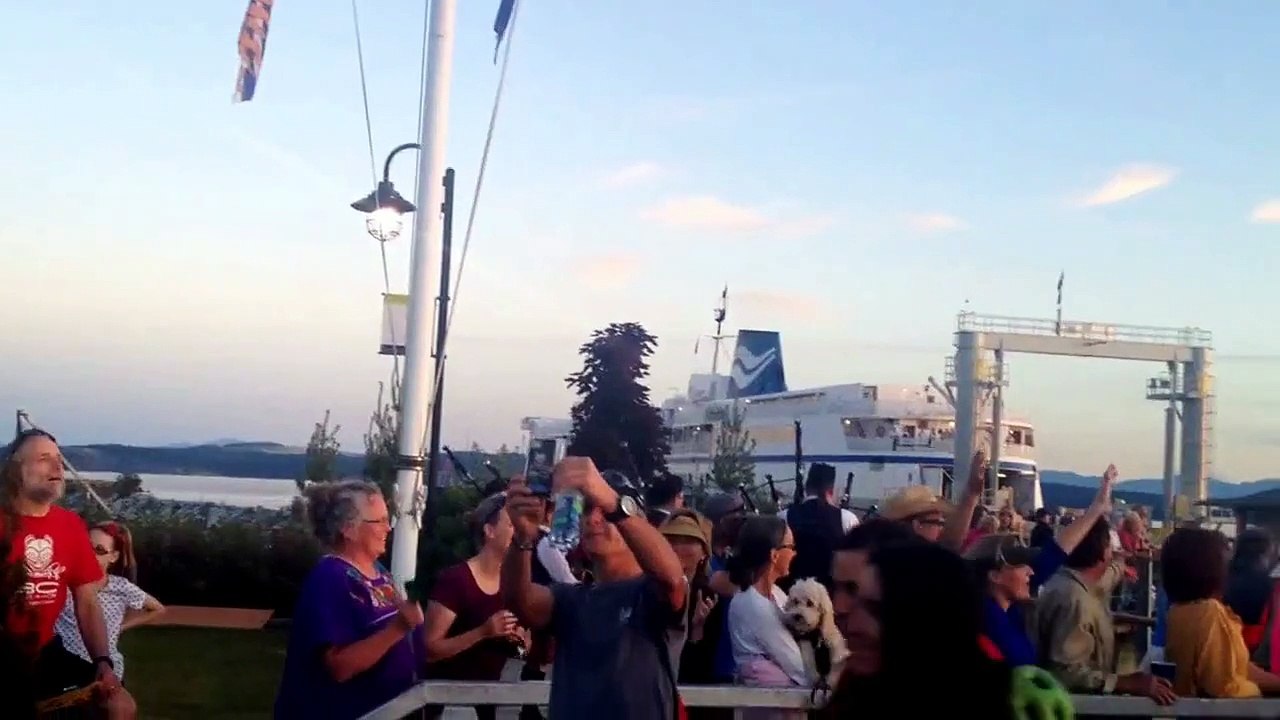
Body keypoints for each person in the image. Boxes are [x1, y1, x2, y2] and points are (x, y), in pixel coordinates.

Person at [501, 457, 688, 719]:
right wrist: (521, 538)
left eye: (605, 512)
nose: (594, 519)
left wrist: (615, 505)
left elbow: (672, 579)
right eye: (586, 509)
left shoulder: (647, 592)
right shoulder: (570, 597)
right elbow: (518, 601)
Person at [822, 542, 1061, 719]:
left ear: (928, 618)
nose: (852, 625)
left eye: (877, 609)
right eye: (858, 603)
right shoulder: (854, 691)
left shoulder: (996, 698)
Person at [3, 429, 135, 718]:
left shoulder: (70, 525)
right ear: (16, 469)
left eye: (59, 460)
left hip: (45, 652)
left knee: (119, 705)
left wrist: (103, 662)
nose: (57, 467)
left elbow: (86, 599)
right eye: (43, 458)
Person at [274, 481, 423, 719]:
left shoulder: (380, 572)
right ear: (348, 528)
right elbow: (339, 666)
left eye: (388, 519)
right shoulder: (330, 579)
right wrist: (398, 629)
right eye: (379, 521)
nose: (388, 528)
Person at [967, 463, 1117, 665]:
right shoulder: (985, 618)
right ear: (995, 575)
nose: (1030, 571)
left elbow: (1056, 551)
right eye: (1019, 565)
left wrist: (1097, 508)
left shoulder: (1006, 609)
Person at [1033, 515, 1176, 705]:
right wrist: (1122, 682)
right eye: (1110, 547)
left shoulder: (1069, 582)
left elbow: (1108, 576)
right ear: (1102, 552)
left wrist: (1121, 562)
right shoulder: (1075, 601)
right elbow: (1066, 672)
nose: (1113, 552)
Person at [422, 493, 525, 720]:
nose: (519, 531)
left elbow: (522, 649)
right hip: (447, 703)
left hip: (487, 701)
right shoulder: (456, 580)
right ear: (489, 531)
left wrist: (520, 641)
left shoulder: (514, 581)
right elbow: (429, 650)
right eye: (512, 524)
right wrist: (483, 632)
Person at [1161, 527, 1280, 697]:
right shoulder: (1210, 613)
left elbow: (1238, 668)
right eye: (1224, 557)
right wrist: (1258, 693)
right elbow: (1225, 687)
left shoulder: (1179, 611)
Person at [53, 521, 165, 682]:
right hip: (64, 666)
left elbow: (157, 608)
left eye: (99, 550)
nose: (89, 554)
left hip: (104, 670)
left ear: (114, 556)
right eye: (86, 546)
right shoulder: (64, 583)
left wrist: (122, 626)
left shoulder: (120, 587)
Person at [725, 516, 804, 720]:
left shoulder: (776, 594)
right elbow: (795, 664)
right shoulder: (752, 603)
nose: (794, 553)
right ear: (774, 555)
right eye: (791, 546)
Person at [780, 463, 857, 590]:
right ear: (830, 491)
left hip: (789, 598)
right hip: (831, 601)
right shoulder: (847, 519)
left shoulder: (784, 517)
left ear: (806, 489)